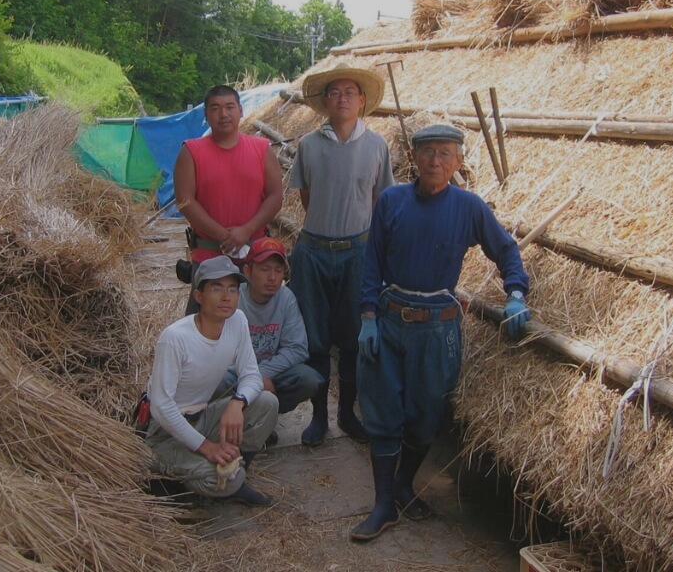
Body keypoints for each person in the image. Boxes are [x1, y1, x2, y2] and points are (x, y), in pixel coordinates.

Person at [349, 124, 532, 541]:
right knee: (383, 414)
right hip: (391, 320)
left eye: (445, 153)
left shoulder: (469, 208)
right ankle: (383, 505)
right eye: (427, 151)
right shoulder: (392, 200)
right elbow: (372, 261)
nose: (435, 160)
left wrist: (516, 292)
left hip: (438, 329)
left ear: (458, 161)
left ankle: (403, 485)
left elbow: (505, 250)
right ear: (413, 157)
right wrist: (367, 316)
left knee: (427, 416)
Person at [286, 64, 395, 446]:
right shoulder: (309, 145)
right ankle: (319, 418)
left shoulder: (378, 146)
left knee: (352, 340)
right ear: (325, 102)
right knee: (313, 339)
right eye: (335, 92)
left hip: (358, 254)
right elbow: (307, 197)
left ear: (362, 101)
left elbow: (380, 201)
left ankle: (347, 413)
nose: (343, 98)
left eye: (351, 92)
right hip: (313, 252)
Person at [145, 255, 279, 506]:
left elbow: (251, 375)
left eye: (232, 289)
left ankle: (236, 472)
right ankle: (171, 479)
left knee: (267, 402)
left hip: (202, 417)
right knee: (218, 478)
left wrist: (237, 403)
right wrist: (207, 447)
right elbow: (161, 407)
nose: (226, 297)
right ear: (199, 296)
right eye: (216, 288)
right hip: (164, 434)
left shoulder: (237, 320)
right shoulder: (175, 338)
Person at [174, 85, 284, 314]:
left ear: (241, 110)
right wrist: (223, 235)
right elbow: (185, 201)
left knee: (258, 324)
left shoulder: (262, 149)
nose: (223, 114)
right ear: (205, 114)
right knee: (204, 326)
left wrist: (246, 230)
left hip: (255, 256)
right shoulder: (191, 151)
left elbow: (275, 196)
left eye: (229, 107)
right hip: (208, 255)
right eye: (215, 108)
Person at [212, 237, 325, 445]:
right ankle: (233, 422)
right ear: (247, 271)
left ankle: (265, 419)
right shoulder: (233, 300)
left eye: (278, 270)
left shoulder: (286, 298)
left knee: (309, 379)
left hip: (270, 374)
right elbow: (217, 351)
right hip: (235, 374)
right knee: (214, 380)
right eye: (265, 269)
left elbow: (298, 348)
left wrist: (262, 374)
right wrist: (253, 378)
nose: (272, 277)